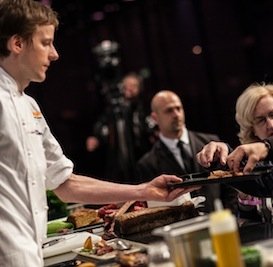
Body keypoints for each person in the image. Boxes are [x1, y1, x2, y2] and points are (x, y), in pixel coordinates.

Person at [0, 1, 196, 266]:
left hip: (30, 253)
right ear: (17, 44)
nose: (55, 54)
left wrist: (144, 190)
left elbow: (66, 184)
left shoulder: (29, 105)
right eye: (45, 43)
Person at [136, 90, 238, 213]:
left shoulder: (211, 142)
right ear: (155, 118)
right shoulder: (148, 163)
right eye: (169, 110)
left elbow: (230, 187)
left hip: (220, 221)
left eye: (179, 108)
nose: (176, 114)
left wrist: (231, 217)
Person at [196, 83, 273, 220]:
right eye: (261, 120)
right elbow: (252, 224)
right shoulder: (255, 165)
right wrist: (223, 160)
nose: (271, 124)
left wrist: (268, 146)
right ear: (252, 129)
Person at [86, 72, 153, 183]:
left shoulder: (143, 109)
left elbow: (148, 129)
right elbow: (102, 125)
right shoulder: (114, 109)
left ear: (139, 89)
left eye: (133, 86)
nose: (129, 89)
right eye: (126, 85)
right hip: (118, 160)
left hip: (140, 158)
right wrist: (96, 138)